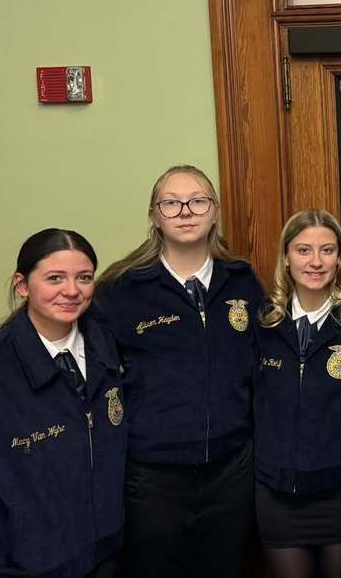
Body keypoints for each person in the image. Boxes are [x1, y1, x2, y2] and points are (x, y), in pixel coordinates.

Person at [93, 164, 262, 578]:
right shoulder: (122, 288)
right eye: (171, 203)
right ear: (154, 214)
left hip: (231, 473)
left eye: (197, 201)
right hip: (153, 478)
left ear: (215, 211)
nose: (185, 211)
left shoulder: (242, 281)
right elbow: (74, 353)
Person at [0, 228, 127, 578]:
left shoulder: (109, 347)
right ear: (22, 285)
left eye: (84, 278)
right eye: (55, 278)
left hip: (108, 557)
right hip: (24, 565)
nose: (71, 291)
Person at [253, 209, 341, 578]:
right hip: (276, 497)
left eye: (327, 250)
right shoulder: (262, 324)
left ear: (340, 258)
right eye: (303, 250)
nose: (315, 262)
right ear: (286, 256)